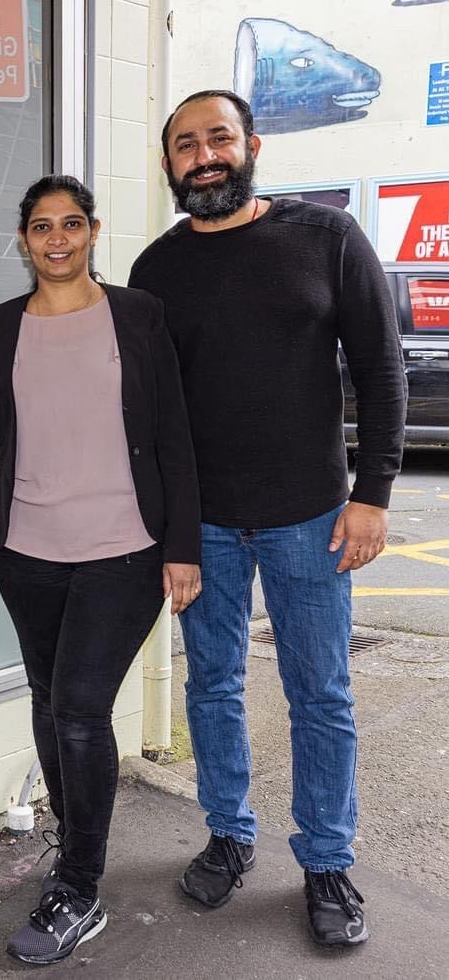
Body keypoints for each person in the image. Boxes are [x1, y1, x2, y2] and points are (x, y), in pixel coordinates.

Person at [129, 90, 406, 947]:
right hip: (203, 524)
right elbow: (149, 410)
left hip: (311, 518)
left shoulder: (326, 237)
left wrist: (372, 493)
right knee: (212, 686)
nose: (203, 155)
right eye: (186, 144)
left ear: (251, 146)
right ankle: (228, 834)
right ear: (169, 164)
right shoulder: (156, 269)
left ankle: (326, 861)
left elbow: (381, 366)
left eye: (218, 137)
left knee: (320, 693)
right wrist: (166, 526)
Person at [0, 174, 202, 965]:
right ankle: (76, 842)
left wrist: (183, 545)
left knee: (77, 710)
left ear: (93, 232)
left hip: (123, 549)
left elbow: (173, 435)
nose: (56, 238)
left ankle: (80, 885)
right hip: (25, 550)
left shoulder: (138, 314)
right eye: (41, 226)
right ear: (23, 239)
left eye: (71, 223)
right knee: (47, 698)